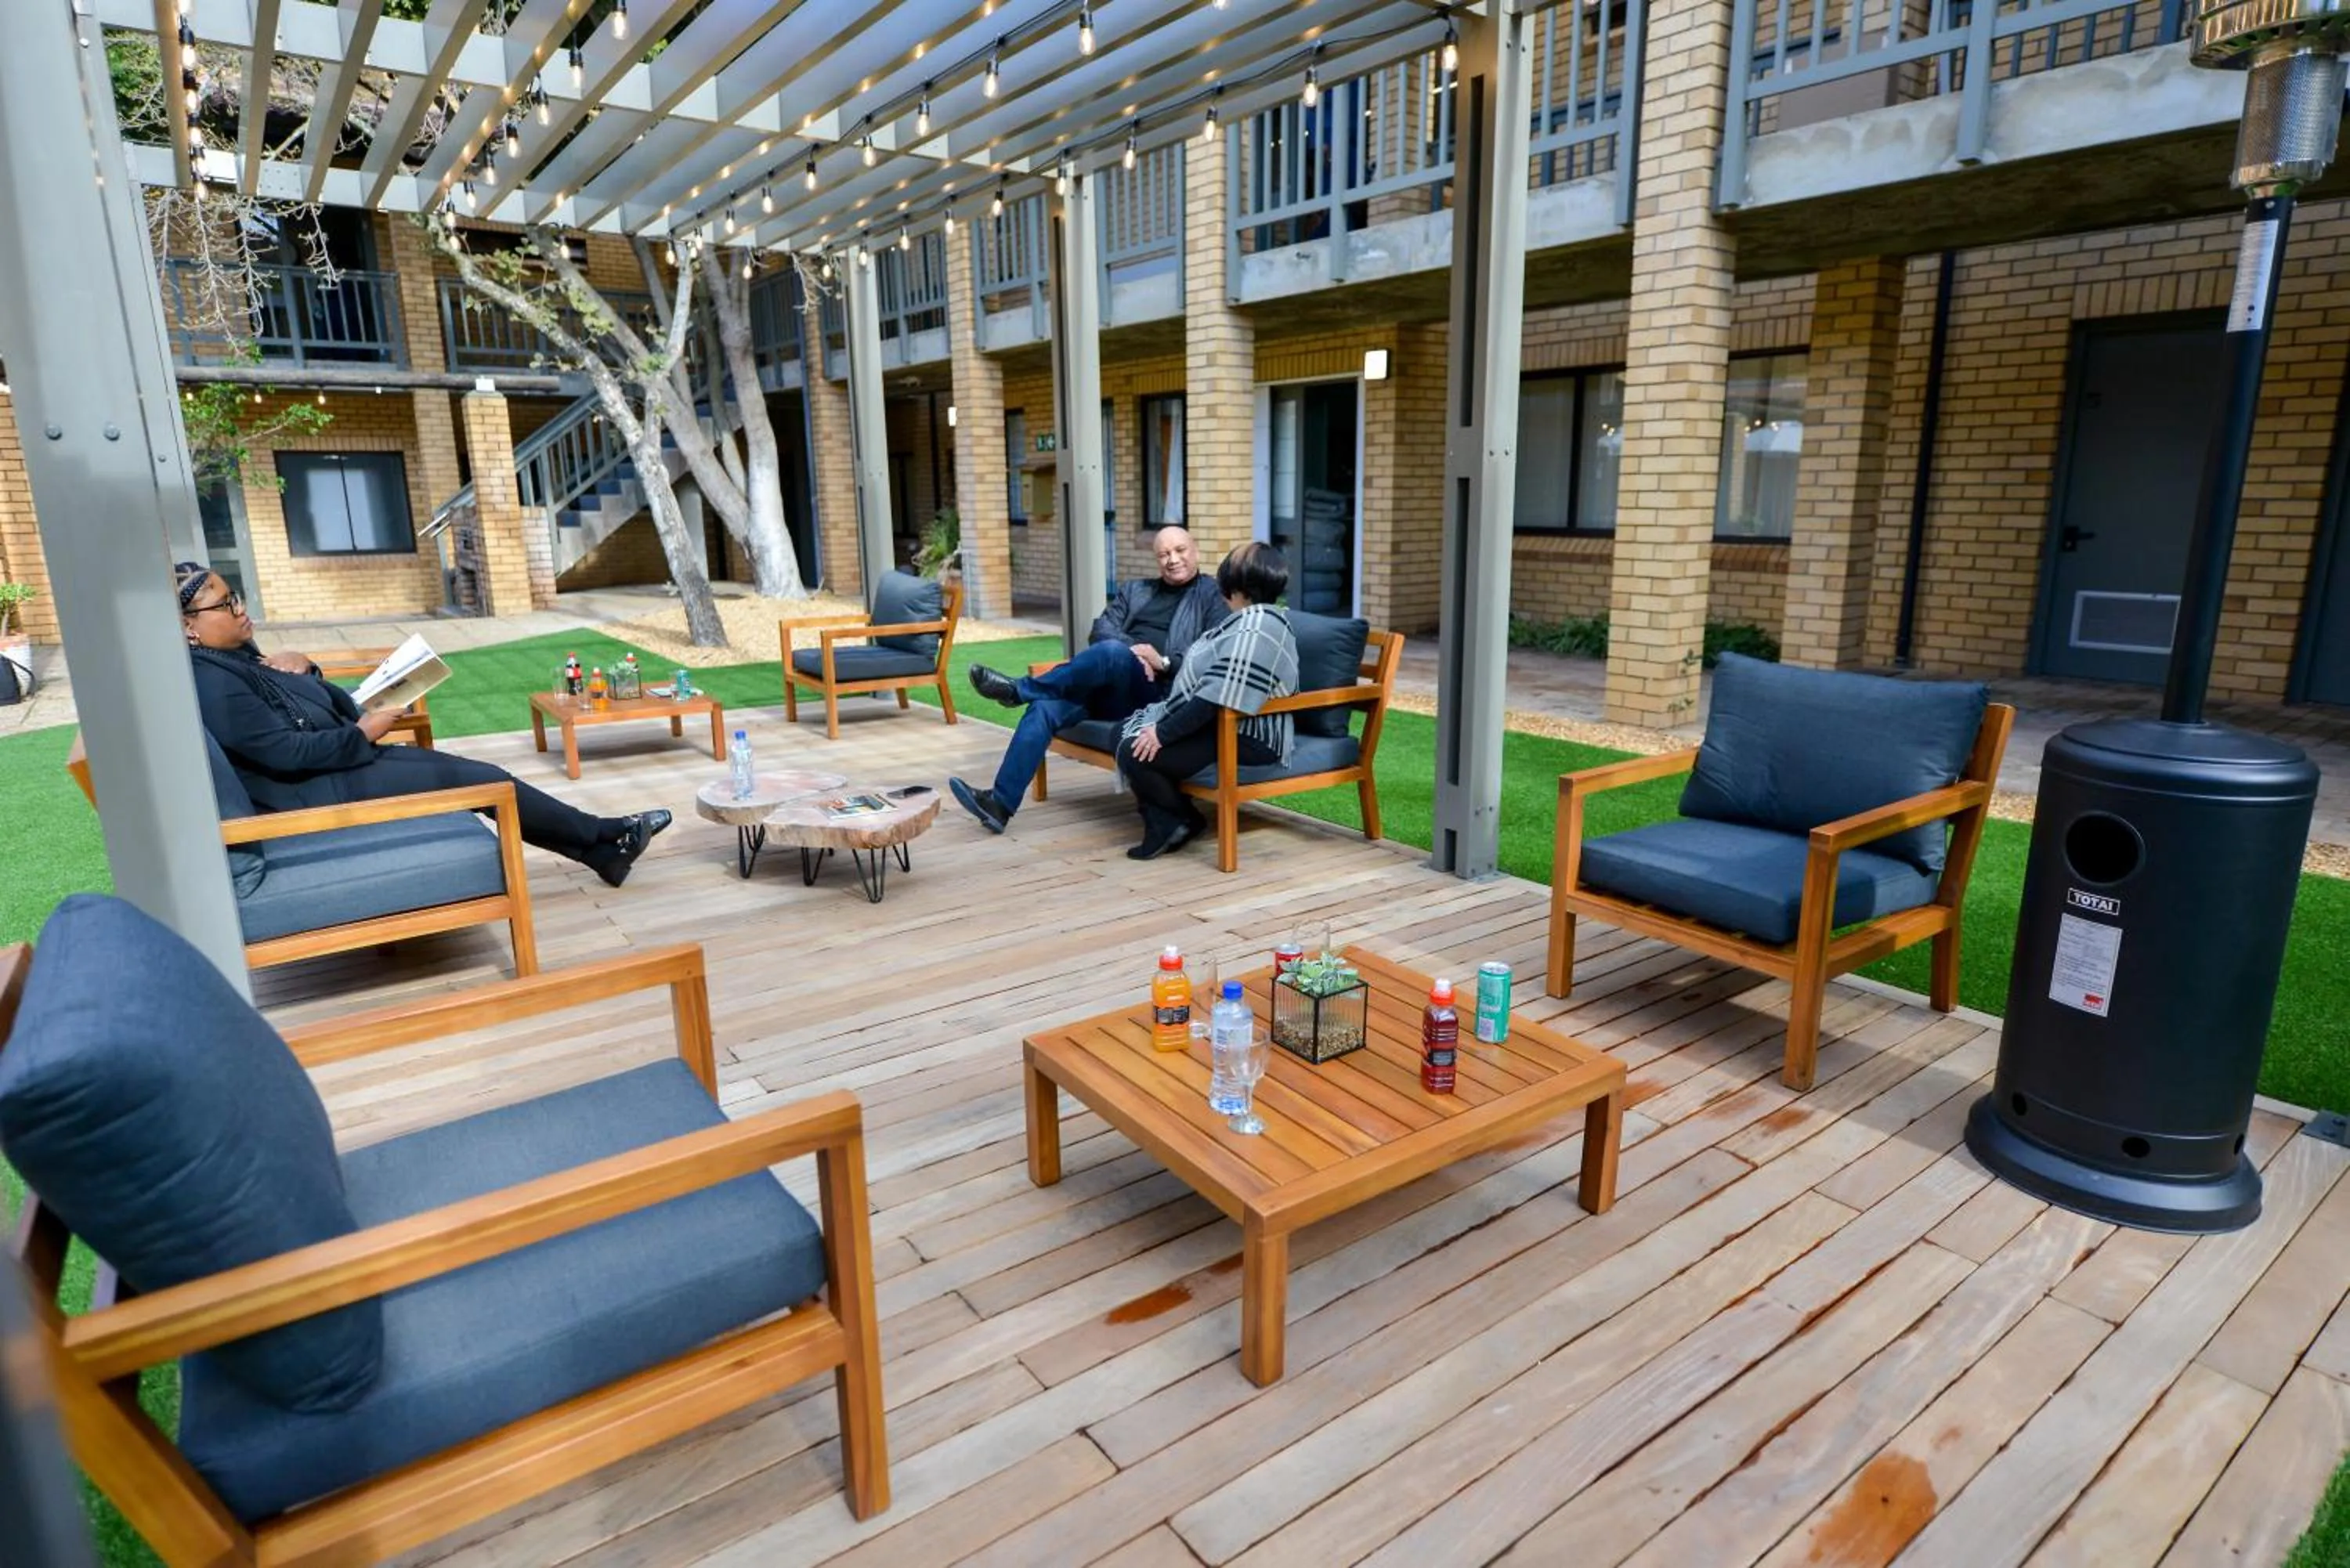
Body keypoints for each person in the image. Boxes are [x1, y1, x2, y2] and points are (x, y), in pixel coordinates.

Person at [172, 563, 671, 887]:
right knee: (487, 781)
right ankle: (606, 837)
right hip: (319, 791)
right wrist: (364, 732)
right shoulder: (213, 682)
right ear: (188, 626)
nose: (240, 608)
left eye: (234, 595)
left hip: (340, 766)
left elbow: (301, 712)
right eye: (225, 604)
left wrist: (308, 666)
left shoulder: (234, 661)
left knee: (480, 775)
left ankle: (604, 850)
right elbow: (286, 753)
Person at [948, 524, 1230, 833]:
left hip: (1154, 696)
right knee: (1045, 708)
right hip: (1107, 688)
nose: (1172, 559)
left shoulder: (1212, 595)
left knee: (1111, 652)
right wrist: (1134, 653)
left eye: (1180, 550)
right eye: (1163, 554)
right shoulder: (1136, 590)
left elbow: (1211, 650)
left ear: (1196, 551)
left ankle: (1019, 690)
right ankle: (999, 805)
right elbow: (1100, 629)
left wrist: (1161, 662)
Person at [1116, 542, 1299, 860]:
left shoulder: (1259, 626)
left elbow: (1215, 698)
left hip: (1248, 734)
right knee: (1123, 732)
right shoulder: (1246, 620)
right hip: (1224, 720)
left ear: (1237, 583)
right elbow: (1214, 687)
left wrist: (1162, 732)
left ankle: (1174, 821)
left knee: (1137, 752)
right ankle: (1178, 817)